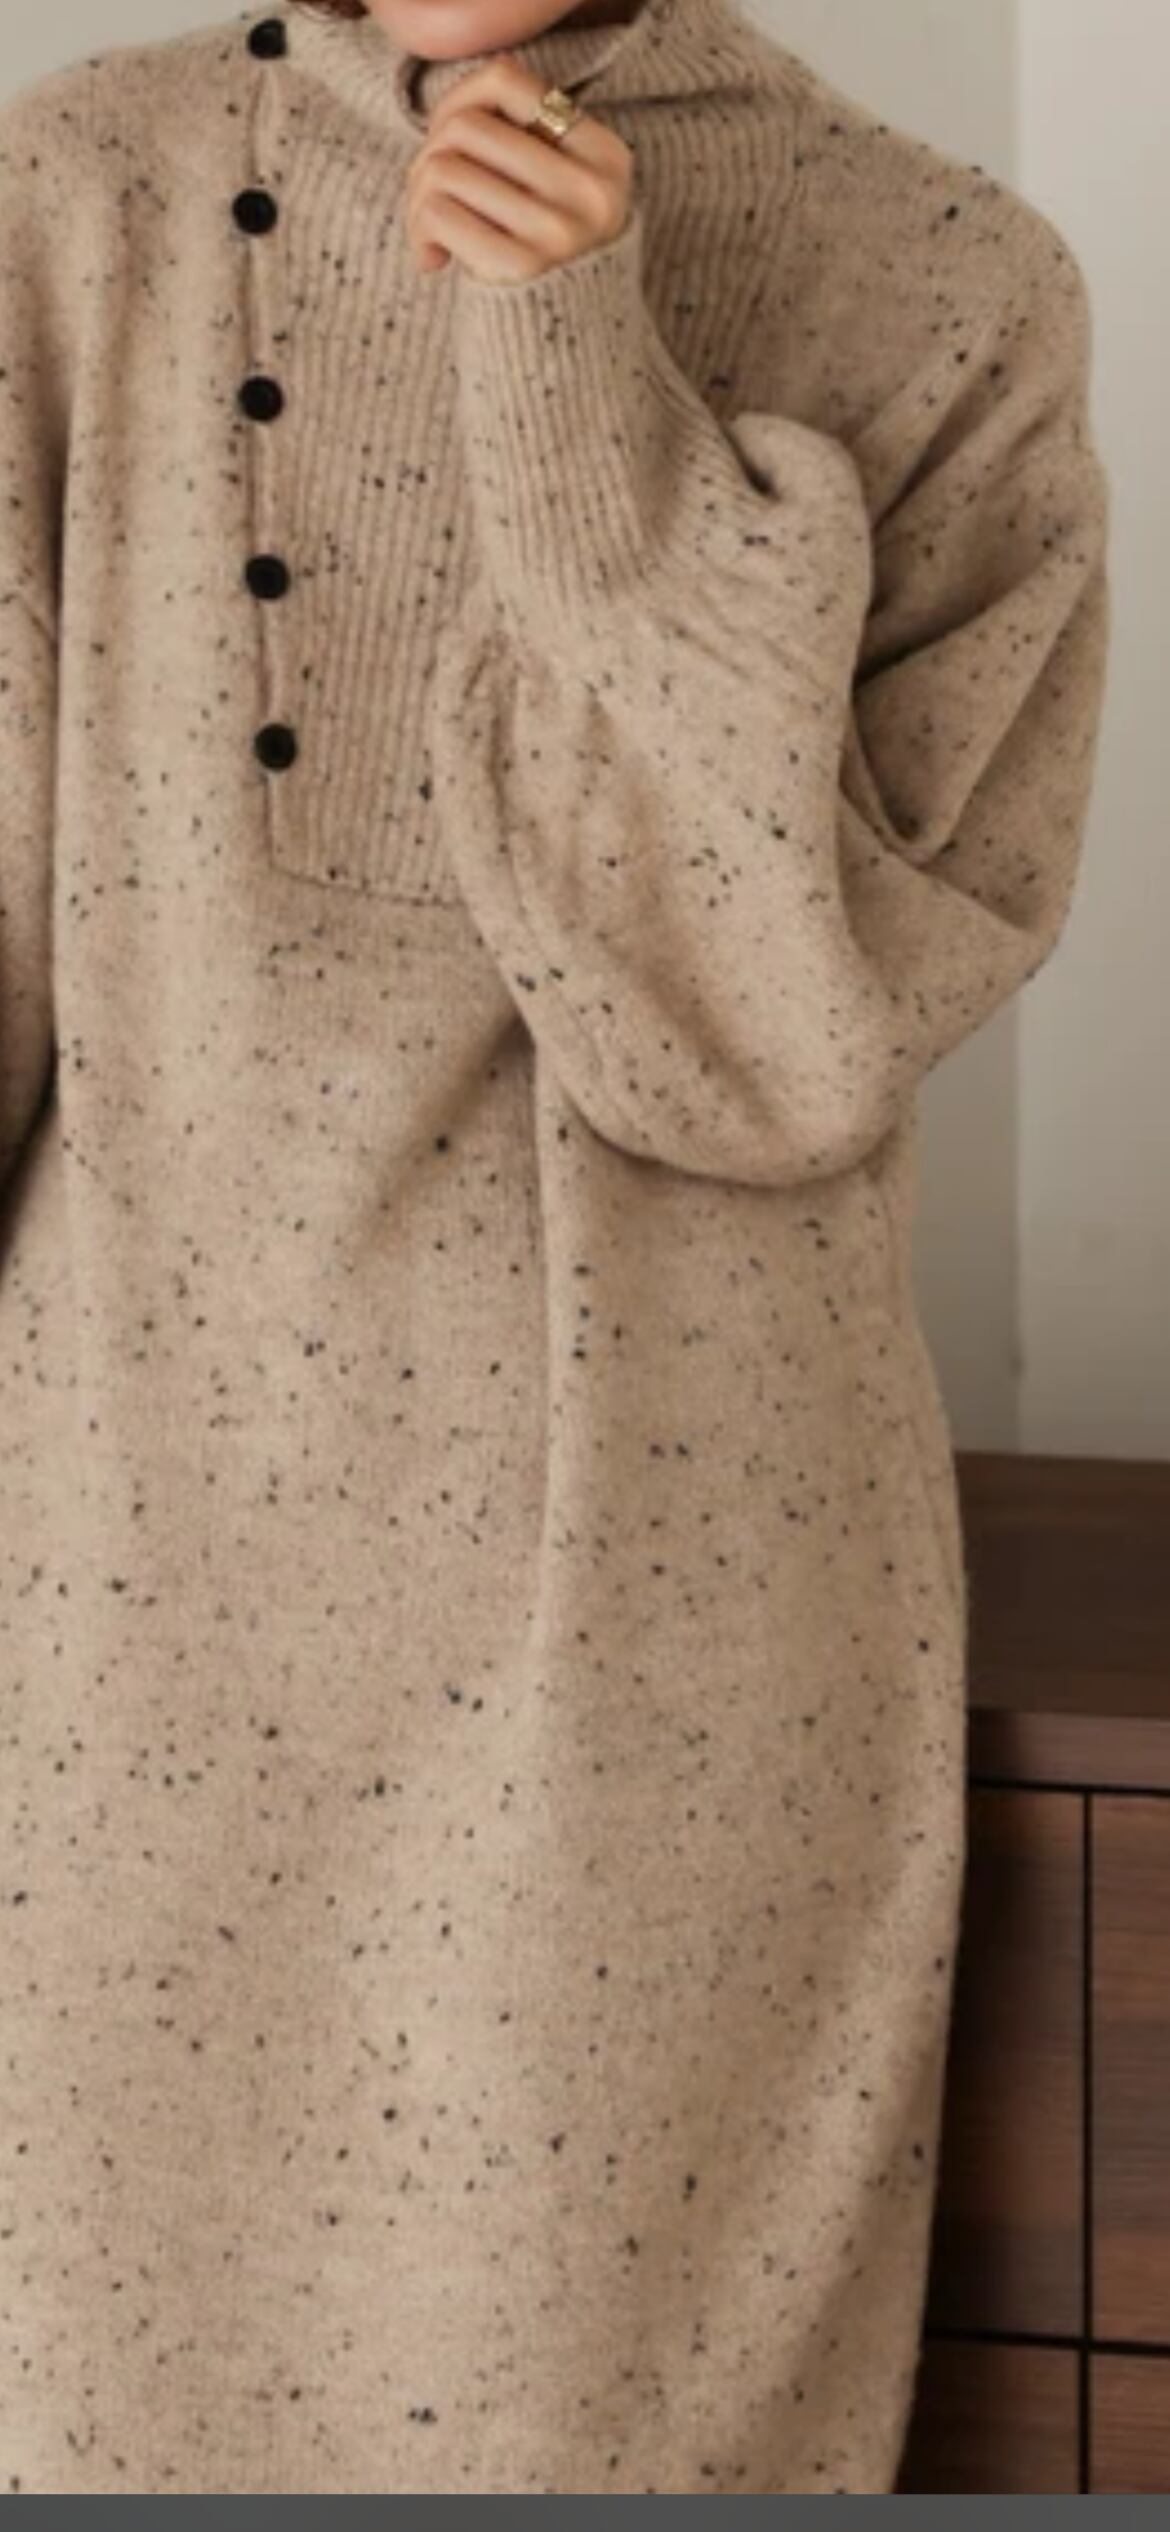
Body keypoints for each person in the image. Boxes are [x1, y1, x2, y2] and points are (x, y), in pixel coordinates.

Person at [0, 0, 1110, 2497]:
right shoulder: (76, 203)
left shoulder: (949, 280)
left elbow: (780, 1045)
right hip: (119, 1597)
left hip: (666, 1625)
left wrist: (592, 422)